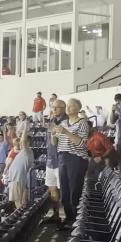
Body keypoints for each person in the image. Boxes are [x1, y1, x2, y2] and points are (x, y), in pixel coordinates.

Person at [52, 98, 90, 228]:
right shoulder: (63, 122)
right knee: (65, 190)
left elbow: (81, 143)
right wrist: (52, 134)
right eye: (67, 106)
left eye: (71, 106)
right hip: (62, 157)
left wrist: (66, 132)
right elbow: (54, 143)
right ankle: (68, 218)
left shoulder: (83, 123)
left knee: (75, 190)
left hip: (76, 158)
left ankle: (76, 221)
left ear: (78, 109)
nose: (68, 108)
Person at [43, 99, 67, 224]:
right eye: (53, 107)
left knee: (63, 189)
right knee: (52, 188)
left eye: (57, 107)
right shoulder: (52, 121)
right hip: (50, 160)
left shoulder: (67, 121)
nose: (54, 110)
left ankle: (66, 217)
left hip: (62, 160)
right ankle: (56, 215)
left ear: (63, 108)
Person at [5, 132, 35, 209]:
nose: (21, 143)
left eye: (23, 142)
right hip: (19, 179)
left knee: (18, 202)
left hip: (17, 179)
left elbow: (23, 141)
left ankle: (24, 220)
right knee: (22, 203)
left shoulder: (27, 151)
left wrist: (25, 129)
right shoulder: (25, 151)